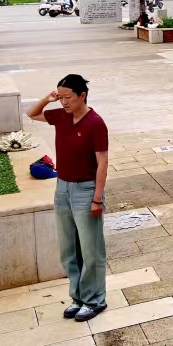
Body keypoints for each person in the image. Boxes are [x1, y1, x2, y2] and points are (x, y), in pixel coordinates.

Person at [29, 74, 110, 322]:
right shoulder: (61, 116)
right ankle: (78, 297)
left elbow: (102, 163)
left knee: (91, 249)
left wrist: (97, 198)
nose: (63, 102)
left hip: (86, 191)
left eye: (68, 97)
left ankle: (95, 300)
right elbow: (32, 114)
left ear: (82, 96)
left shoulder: (95, 123)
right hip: (62, 188)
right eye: (60, 97)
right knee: (69, 249)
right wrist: (48, 98)